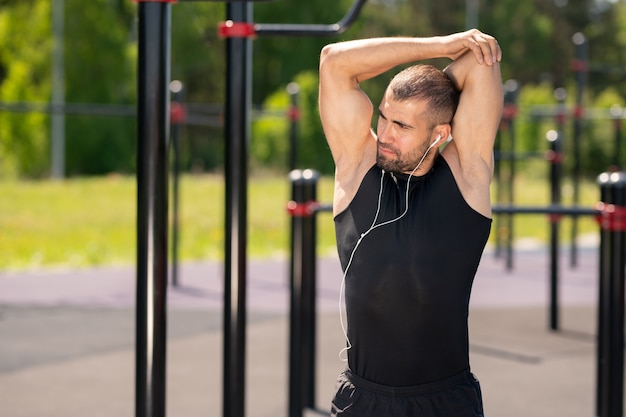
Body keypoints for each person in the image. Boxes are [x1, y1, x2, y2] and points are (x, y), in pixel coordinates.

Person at [318, 29, 503, 416]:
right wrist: (439, 47)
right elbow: (334, 60)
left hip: (445, 402)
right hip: (362, 402)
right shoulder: (357, 165)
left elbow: (480, 62)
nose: (384, 134)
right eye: (384, 117)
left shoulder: (467, 176)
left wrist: (435, 95)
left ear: (441, 133)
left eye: (402, 126)